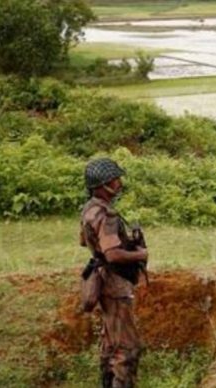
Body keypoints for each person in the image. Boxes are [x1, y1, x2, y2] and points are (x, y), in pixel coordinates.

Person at [79, 158, 148, 388]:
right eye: (114, 180)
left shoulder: (89, 209)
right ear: (102, 185)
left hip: (101, 280)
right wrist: (140, 254)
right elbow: (112, 255)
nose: (119, 183)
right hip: (115, 283)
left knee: (110, 344)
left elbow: (86, 242)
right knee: (127, 348)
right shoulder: (107, 215)